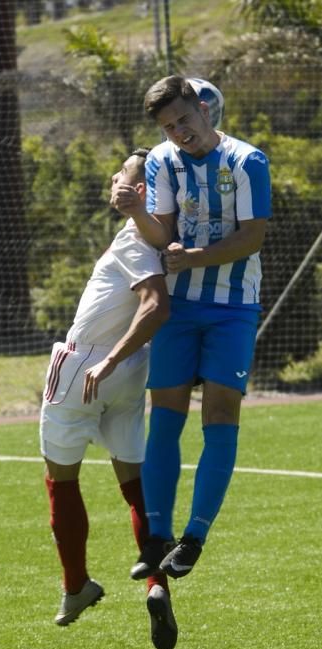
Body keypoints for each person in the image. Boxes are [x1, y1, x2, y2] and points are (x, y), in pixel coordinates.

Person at [110, 75, 272, 581]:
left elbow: (251, 238)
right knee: (166, 417)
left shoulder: (248, 161)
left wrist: (193, 256)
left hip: (233, 307)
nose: (178, 132)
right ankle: (156, 536)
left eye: (183, 120)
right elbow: (162, 231)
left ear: (204, 109)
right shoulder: (161, 161)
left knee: (220, 415)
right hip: (179, 308)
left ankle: (194, 537)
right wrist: (138, 213)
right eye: (167, 126)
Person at [40, 148, 177, 649]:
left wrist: (109, 360)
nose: (112, 173)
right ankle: (156, 583)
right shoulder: (165, 234)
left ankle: (75, 587)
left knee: (60, 479)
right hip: (130, 372)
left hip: (89, 367)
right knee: (135, 483)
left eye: (121, 169)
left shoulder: (134, 239)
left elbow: (155, 304)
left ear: (140, 190)